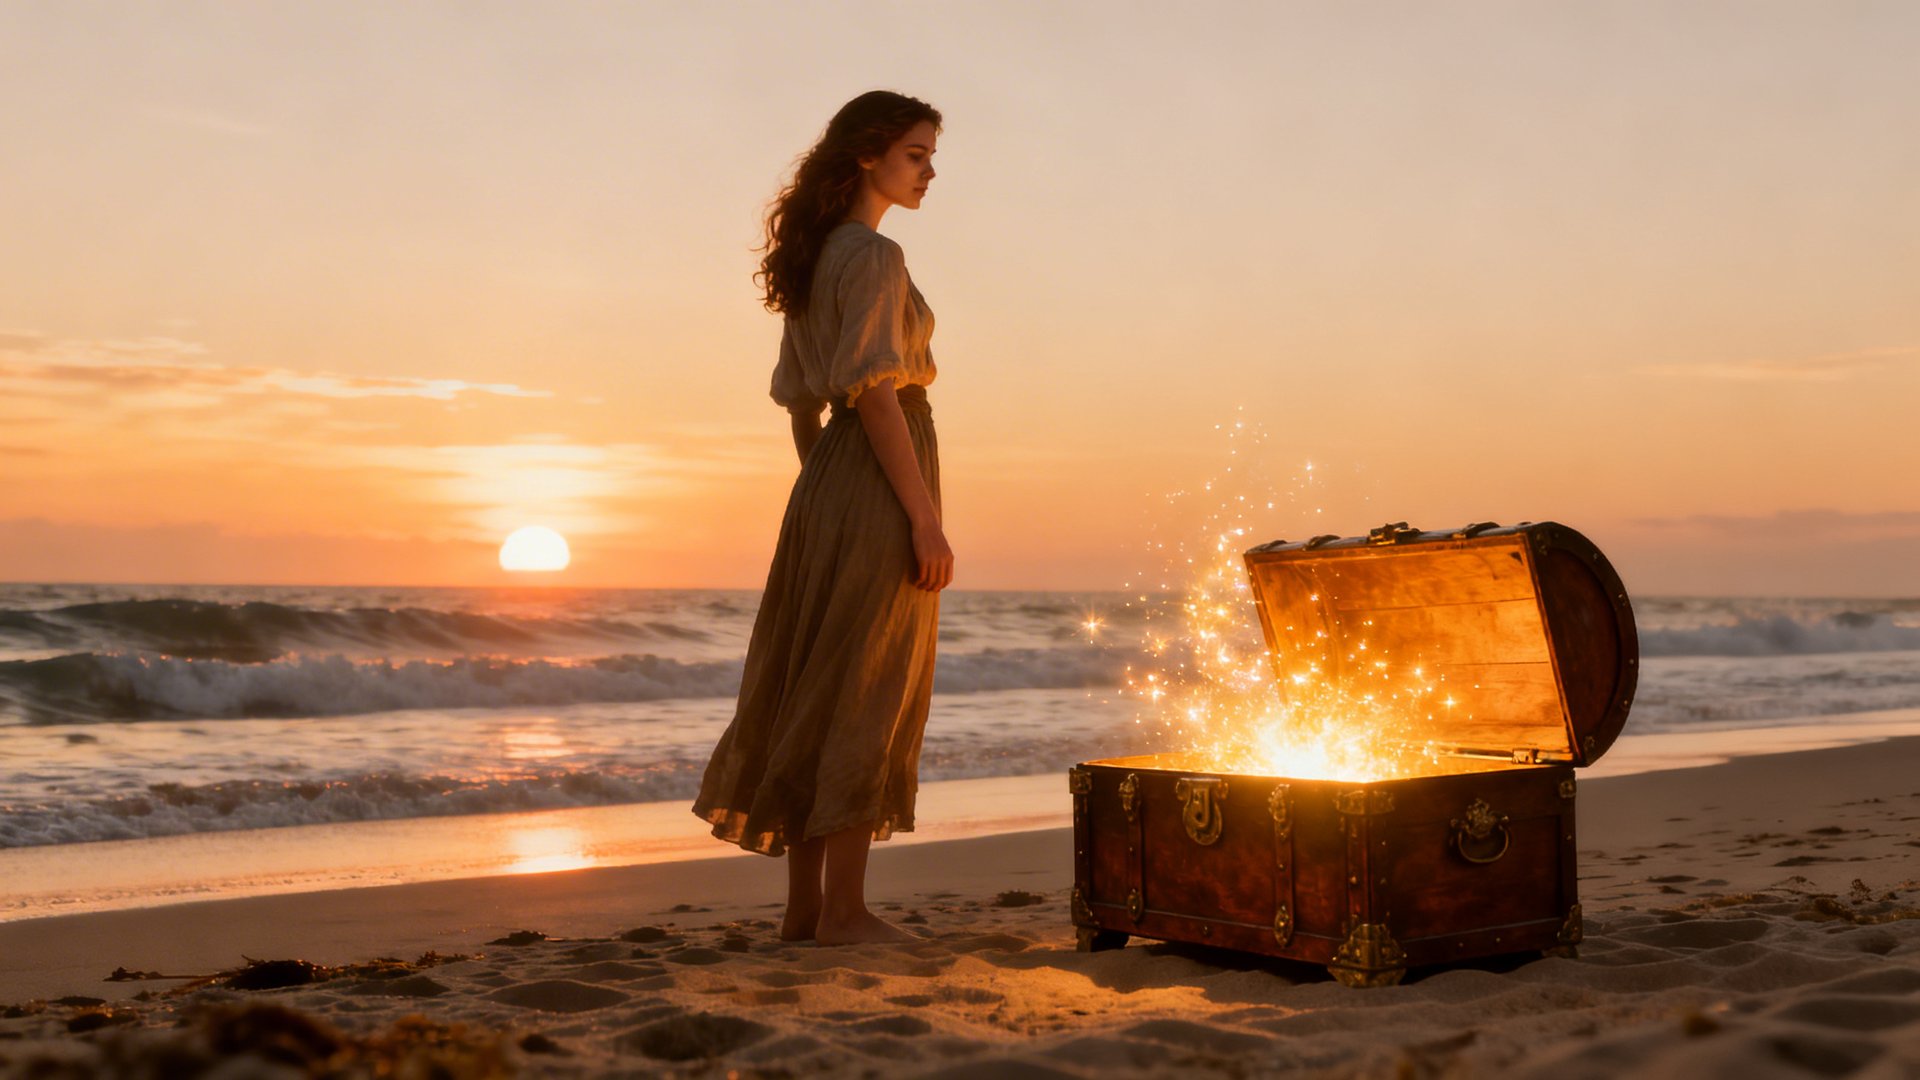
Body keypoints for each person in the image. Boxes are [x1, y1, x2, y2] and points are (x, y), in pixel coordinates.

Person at [691, 90, 952, 946]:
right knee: (864, 686)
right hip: (878, 474)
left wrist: (829, 497)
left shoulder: (815, 262)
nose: (929, 170)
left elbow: (803, 405)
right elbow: (876, 394)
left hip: (826, 485)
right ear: (869, 155)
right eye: (916, 153)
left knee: (813, 678)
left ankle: (805, 911)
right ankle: (844, 912)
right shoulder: (873, 257)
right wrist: (919, 517)